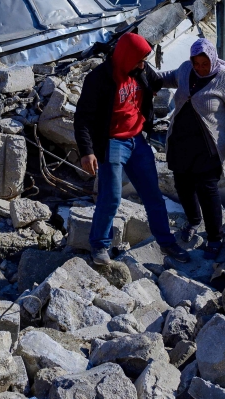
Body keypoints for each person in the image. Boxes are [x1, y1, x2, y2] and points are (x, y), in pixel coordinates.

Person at [74, 33, 191, 266]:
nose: (143, 64)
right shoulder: (99, 79)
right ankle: (99, 246)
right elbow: (83, 118)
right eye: (139, 59)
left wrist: (194, 74)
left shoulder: (142, 72)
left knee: (153, 196)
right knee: (111, 197)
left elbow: (159, 80)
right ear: (127, 57)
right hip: (112, 142)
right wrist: (87, 151)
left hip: (137, 140)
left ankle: (166, 242)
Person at [161, 38, 225, 258]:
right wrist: (145, 76)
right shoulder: (185, 70)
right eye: (196, 63)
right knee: (182, 184)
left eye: (204, 63)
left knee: (207, 190)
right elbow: (167, 78)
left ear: (212, 58)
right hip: (181, 141)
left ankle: (214, 238)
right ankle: (193, 220)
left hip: (209, 145)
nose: (200, 68)